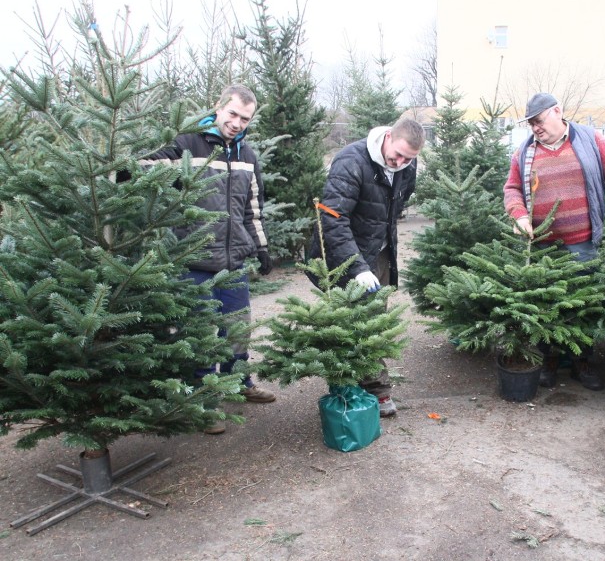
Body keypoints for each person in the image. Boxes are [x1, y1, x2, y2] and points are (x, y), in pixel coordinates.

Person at [143, 84, 277, 433]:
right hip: (195, 260)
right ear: (218, 108)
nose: (236, 122)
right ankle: (203, 401)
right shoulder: (188, 143)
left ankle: (239, 383)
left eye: (244, 118)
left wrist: (261, 248)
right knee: (200, 330)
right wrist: (119, 170)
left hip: (234, 262)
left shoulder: (247, 156)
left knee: (237, 326)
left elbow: (253, 209)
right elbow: (147, 167)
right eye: (232, 114)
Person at [503, 92, 605, 391]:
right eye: (531, 124)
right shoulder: (524, 153)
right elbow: (512, 189)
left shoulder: (590, 140)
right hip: (543, 247)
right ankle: (549, 361)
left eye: (539, 121)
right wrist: (520, 215)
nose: (535, 128)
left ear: (557, 112)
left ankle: (583, 363)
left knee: (584, 306)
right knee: (547, 307)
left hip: (583, 243)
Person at [306, 117, 425, 417]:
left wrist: (378, 256)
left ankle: (369, 386)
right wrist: (358, 267)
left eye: (408, 159)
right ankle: (366, 389)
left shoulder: (407, 167)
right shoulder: (350, 161)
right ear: (388, 136)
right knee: (348, 321)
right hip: (342, 253)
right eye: (397, 155)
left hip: (379, 252)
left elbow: (394, 209)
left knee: (374, 321)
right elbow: (332, 220)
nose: (399, 162)